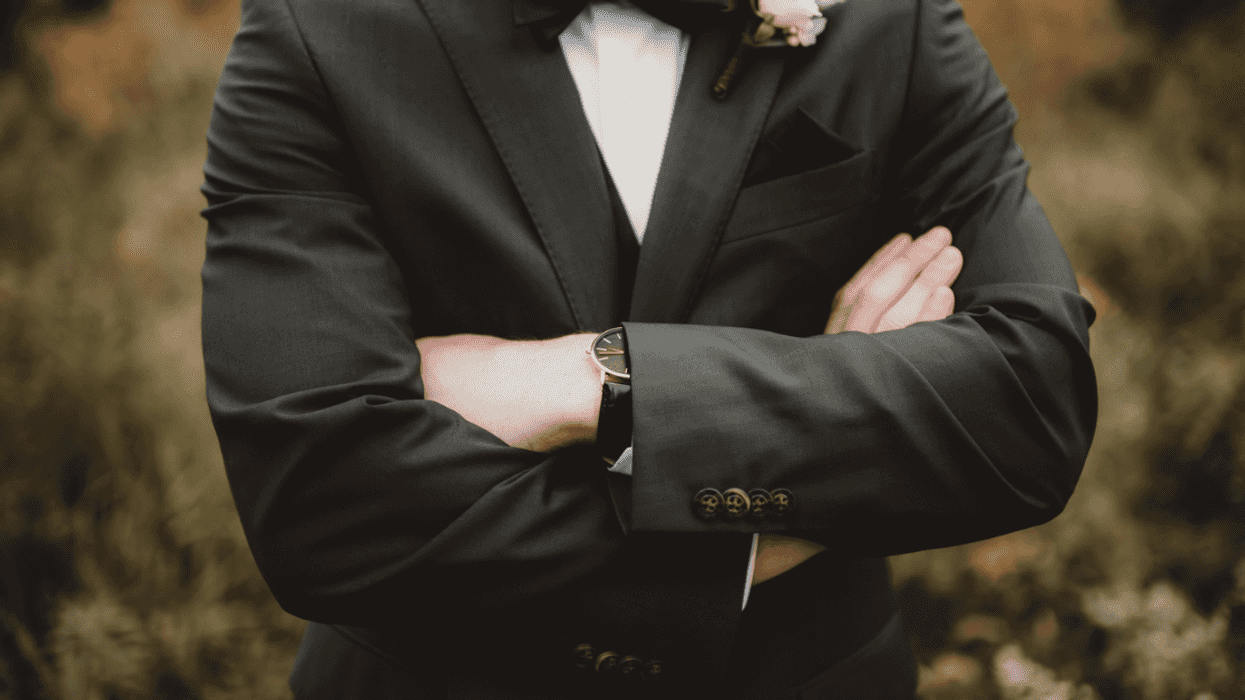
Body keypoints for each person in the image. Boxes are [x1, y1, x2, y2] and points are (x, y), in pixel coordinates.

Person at [198, 0, 1099, 697]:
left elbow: (1030, 402)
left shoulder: (890, 20)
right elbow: (318, 502)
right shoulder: (316, 27)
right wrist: (784, 517)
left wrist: (586, 382)